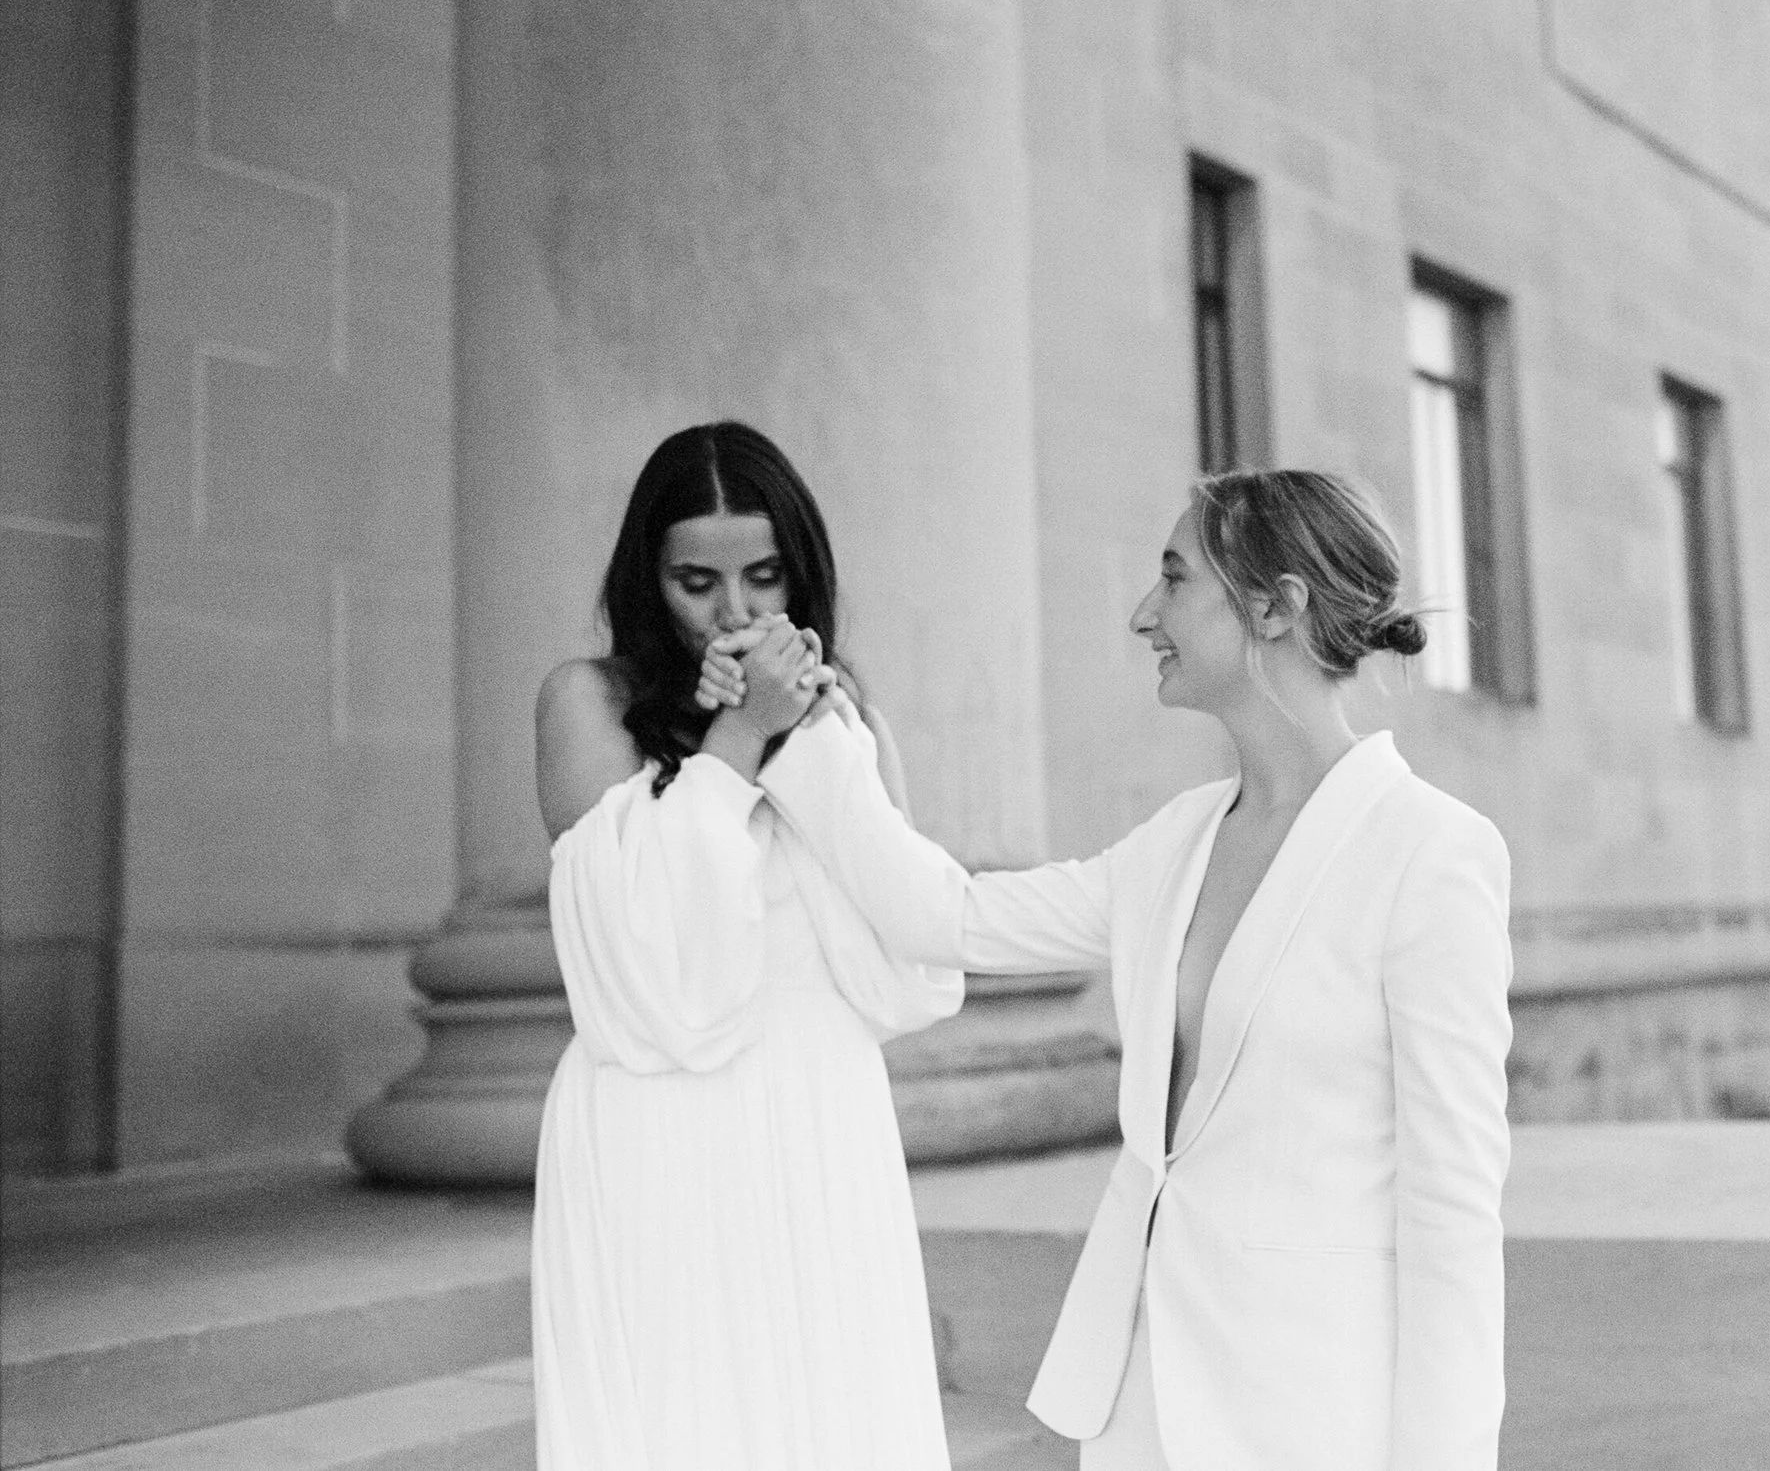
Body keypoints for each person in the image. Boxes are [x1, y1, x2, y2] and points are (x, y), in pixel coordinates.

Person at [782, 468, 1514, 1471]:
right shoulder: (1174, 843)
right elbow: (943, 915)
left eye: (1173, 579)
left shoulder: (1429, 852)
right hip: (1142, 1394)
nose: (1142, 612)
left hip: (1315, 1408)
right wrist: (813, 734)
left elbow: (1453, 1205)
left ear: (1275, 604)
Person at [529, 421, 962, 1471]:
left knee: (836, 1410)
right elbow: (643, 966)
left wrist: (821, 739)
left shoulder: (848, 712)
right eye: (696, 581)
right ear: (650, 577)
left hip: (821, 1110)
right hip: (662, 1118)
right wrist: (733, 741)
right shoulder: (587, 701)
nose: (734, 612)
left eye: (764, 578)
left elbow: (913, 945)